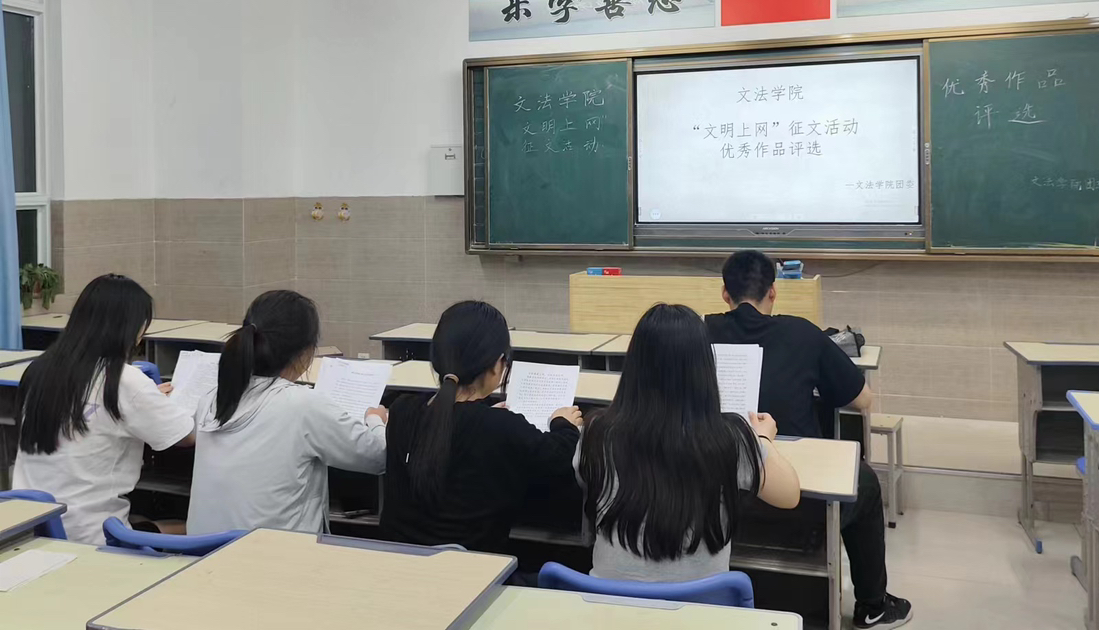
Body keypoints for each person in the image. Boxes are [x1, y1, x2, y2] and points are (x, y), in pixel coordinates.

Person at [706, 250, 912, 629]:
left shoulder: (699, 332)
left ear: (724, 293)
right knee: (864, 484)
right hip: (796, 501)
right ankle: (873, 605)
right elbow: (862, 400)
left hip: (712, 495)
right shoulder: (802, 333)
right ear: (773, 292)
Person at [576, 303, 800, 582]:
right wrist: (762, 438)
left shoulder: (596, 432)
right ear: (704, 368)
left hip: (608, 601)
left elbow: (586, 479)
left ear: (634, 365)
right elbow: (789, 495)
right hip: (700, 604)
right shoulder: (730, 437)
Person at [381, 300, 581, 556]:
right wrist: (564, 423)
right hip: (473, 572)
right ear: (497, 364)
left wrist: (487, 416)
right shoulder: (501, 426)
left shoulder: (402, 411)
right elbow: (561, 458)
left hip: (395, 564)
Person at [14, 274, 195, 545]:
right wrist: (150, 401)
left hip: (29, 526)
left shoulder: (39, 370)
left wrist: (146, 400)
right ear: (128, 328)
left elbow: (88, 408)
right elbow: (186, 437)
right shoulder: (124, 380)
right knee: (189, 526)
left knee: (146, 517)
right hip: (90, 535)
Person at [187, 290, 386, 535]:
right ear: (306, 354)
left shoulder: (212, 399)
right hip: (271, 554)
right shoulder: (302, 405)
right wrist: (376, 420)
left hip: (204, 552)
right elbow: (378, 457)